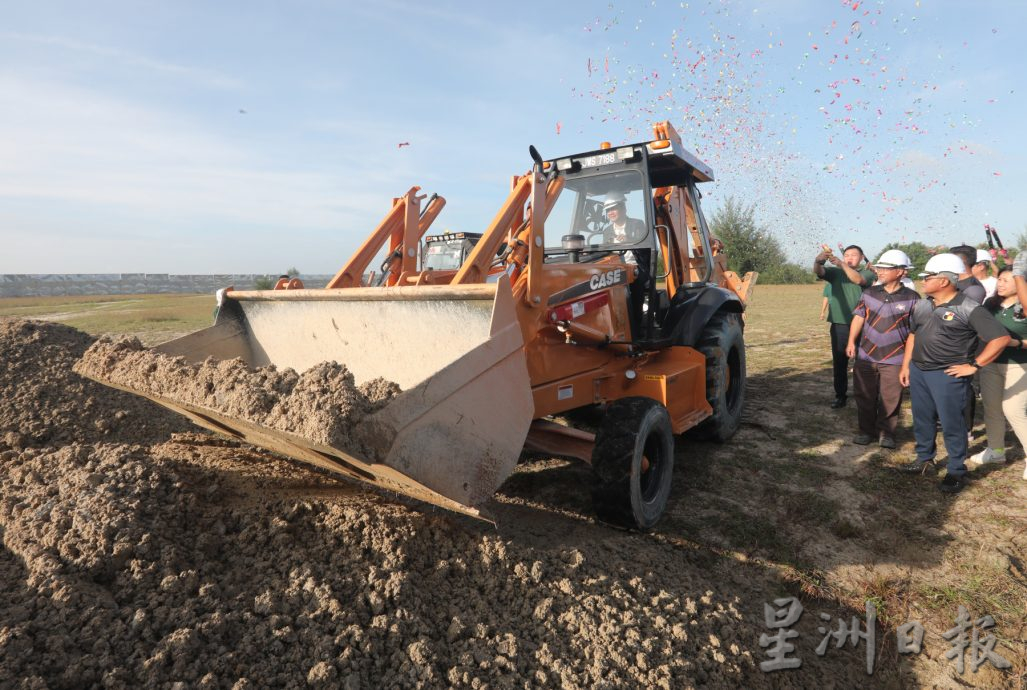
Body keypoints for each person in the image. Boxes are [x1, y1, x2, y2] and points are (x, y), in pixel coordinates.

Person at [898, 253, 1011, 493]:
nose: (923, 281)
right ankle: (924, 459)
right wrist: (907, 365)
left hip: (947, 374)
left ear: (944, 281)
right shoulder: (923, 304)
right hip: (919, 371)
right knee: (922, 417)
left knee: (952, 423)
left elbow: (1000, 338)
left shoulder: (969, 308)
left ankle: (956, 470)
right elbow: (913, 335)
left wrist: (975, 365)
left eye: (928, 277)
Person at [845, 250, 920, 448]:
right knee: (864, 395)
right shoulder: (869, 293)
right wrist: (851, 341)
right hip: (866, 356)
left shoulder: (913, 298)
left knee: (891, 397)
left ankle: (887, 433)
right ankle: (865, 431)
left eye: (887, 268)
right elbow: (859, 317)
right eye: (880, 267)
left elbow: (915, 331)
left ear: (901, 272)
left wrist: (908, 362)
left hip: (895, 358)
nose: (880, 271)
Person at [968, 267, 1027, 481]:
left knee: (1013, 409)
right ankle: (996, 450)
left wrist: (1018, 343)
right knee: (992, 408)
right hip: (991, 363)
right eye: (1000, 279)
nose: (1000, 283)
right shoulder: (989, 306)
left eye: (1007, 280)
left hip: (1020, 365)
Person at [814, 245, 876, 408]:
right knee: (840, 362)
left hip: (864, 323)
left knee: (863, 361)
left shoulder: (868, 272)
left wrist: (842, 264)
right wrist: (818, 262)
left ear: (862, 258)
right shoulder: (835, 273)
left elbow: (858, 280)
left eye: (853, 255)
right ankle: (840, 395)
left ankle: (864, 393)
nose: (849, 257)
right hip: (839, 323)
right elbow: (819, 272)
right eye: (847, 255)